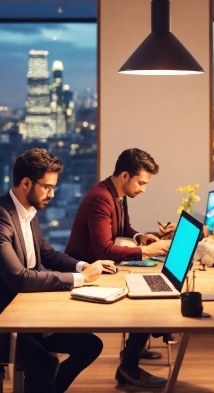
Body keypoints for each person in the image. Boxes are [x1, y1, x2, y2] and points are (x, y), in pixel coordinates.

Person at [0, 148, 116, 393]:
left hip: (20, 315)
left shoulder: (27, 212)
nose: (52, 194)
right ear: (26, 183)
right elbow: (20, 279)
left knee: (89, 345)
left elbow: (46, 253)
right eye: (47, 187)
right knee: (45, 364)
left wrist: (83, 266)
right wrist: (79, 279)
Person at [65, 148, 174, 389]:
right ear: (125, 176)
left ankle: (133, 355)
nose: (143, 189)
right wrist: (146, 252)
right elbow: (104, 249)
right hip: (88, 274)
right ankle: (129, 366)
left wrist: (140, 237)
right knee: (148, 299)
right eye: (142, 183)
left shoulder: (116, 194)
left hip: (102, 269)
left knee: (150, 293)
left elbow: (123, 228)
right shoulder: (100, 198)